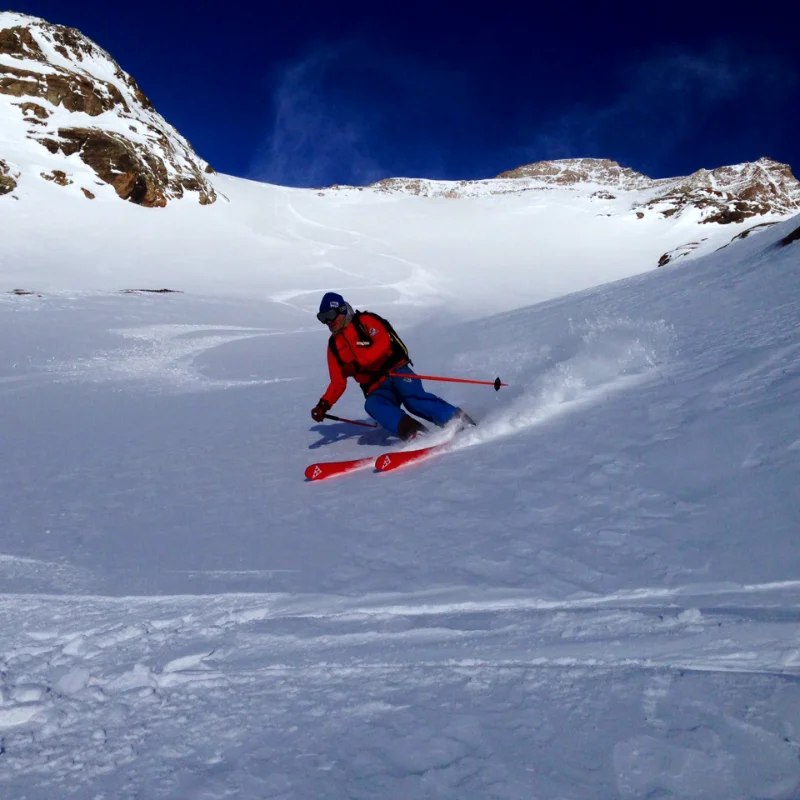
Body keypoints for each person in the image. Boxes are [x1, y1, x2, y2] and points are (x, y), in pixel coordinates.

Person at [310, 292, 474, 440]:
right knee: (373, 405)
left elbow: (383, 343)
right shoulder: (333, 346)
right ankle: (415, 433)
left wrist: (358, 363)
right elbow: (338, 382)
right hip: (375, 386)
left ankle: (458, 421)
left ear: (342, 311)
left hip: (396, 371)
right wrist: (323, 405)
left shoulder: (364, 322)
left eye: (330, 315)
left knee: (413, 400)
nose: (328, 321)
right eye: (322, 317)